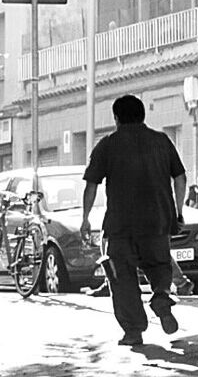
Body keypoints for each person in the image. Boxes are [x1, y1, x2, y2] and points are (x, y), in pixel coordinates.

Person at [80, 94, 187, 347]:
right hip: (157, 221)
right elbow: (180, 179)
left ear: (116, 118)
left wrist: (85, 219)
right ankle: (161, 296)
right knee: (160, 266)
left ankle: (133, 331)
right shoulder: (162, 141)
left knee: (122, 279)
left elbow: (91, 185)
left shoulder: (107, 144)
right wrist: (178, 211)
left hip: (120, 226)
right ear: (143, 115)